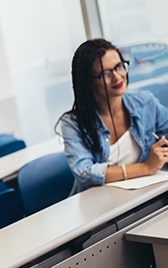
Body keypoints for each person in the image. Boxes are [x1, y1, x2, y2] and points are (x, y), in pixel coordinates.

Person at [57, 38, 168, 195]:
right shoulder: (73, 123)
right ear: (88, 82)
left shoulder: (146, 103)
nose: (117, 77)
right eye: (105, 74)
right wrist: (145, 167)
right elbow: (85, 173)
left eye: (119, 67)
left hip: (145, 194)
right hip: (100, 203)